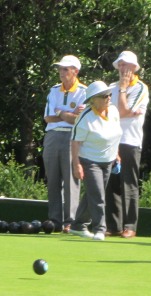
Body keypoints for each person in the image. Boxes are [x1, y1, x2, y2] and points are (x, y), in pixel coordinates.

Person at [69, 81, 122, 241]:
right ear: (93, 100)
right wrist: (76, 164)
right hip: (89, 161)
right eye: (104, 96)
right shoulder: (85, 117)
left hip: (108, 161)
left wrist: (117, 154)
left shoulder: (113, 111)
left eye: (110, 95)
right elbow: (75, 142)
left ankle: (78, 225)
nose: (108, 98)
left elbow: (116, 135)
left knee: (92, 194)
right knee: (98, 195)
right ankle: (100, 229)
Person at [105, 51, 150, 239]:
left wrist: (123, 89)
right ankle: (114, 226)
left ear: (134, 68)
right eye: (121, 65)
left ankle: (130, 225)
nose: (124, 69)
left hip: (130, 141)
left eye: (128, 66)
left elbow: (122, 111)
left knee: (129, 183)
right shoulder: (110, 87)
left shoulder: (140, 88)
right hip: (111, 140)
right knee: (111, 183)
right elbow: (105, 113)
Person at [43, 55, 86, 233]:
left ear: (75, 71)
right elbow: (47, 118)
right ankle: (55, 220)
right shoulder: (54, 90)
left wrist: (61, 112)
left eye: (65, 69)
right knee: (52, 179)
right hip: (52, 135)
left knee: (71, 180)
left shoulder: (84, 91)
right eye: (60, 69)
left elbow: (80, 120)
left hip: (72, 137)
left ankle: (70, 221)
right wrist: (68, 114)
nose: (61, 72)